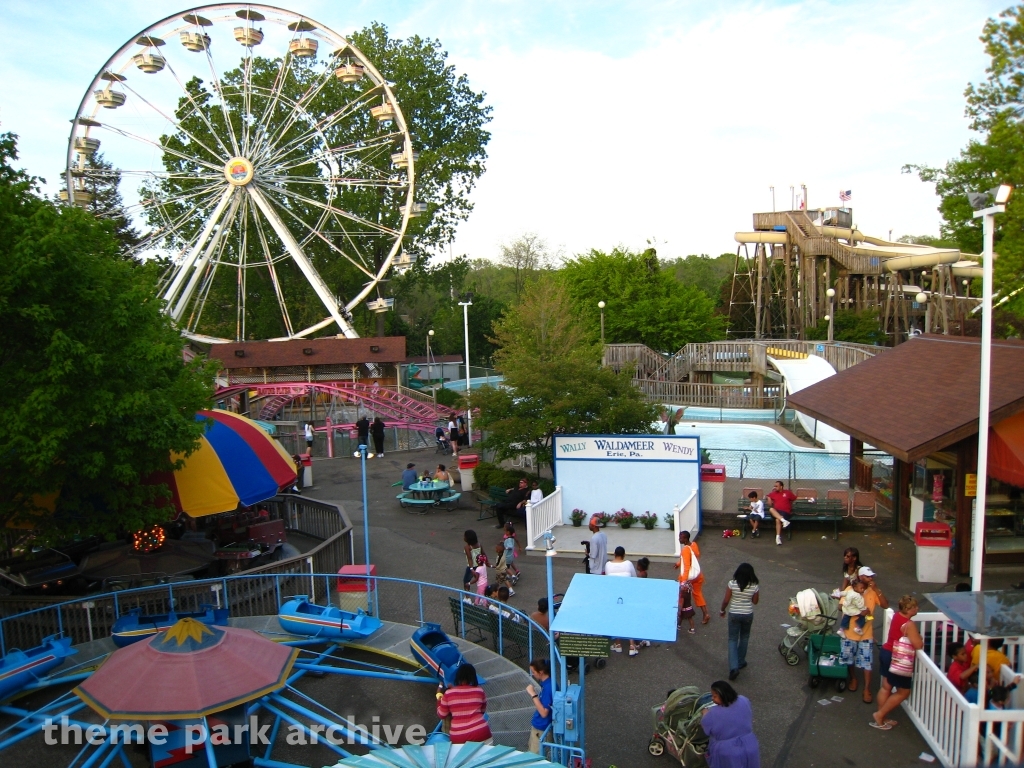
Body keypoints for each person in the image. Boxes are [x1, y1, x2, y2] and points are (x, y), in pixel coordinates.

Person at [872, 595, 923, 730]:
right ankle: (880, 714)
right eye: (915, 607)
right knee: (904, 692)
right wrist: (919, 637)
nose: (917, 608)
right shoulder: (909, 624)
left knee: (886, 687)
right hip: (897, 658)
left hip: (886, 652)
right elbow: (918, 644)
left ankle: (882, 717)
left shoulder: (896, 616)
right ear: (908, 609)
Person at [841, 565, 888, 703]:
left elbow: (885, 605)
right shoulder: (850, 590)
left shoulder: (873, 592)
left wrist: (876, 589)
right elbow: (841, 607)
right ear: (860, 577)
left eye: (871, 576)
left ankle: (867, 688)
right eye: (868, 576)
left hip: (866, 633)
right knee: (849, 658)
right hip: (849, 632)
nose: (870, 578)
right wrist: (858, 612)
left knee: (867, 663)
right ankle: (853, 678)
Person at [700, 680, 760, 768]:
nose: (712, 698)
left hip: (728, 752)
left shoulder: (713, 713)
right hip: (750, 744)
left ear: (723, 696)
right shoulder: (744, 700)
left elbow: (706, 728)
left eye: (714, 696)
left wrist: (705, 713)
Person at [720, 563, 760, 680]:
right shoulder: (754, 585)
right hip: (747, 614)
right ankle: (741, 661)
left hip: (734, 614)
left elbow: (726, 600)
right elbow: (755, 602)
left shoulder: (732, 583)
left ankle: (734, 667)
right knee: (744, 637)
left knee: (732, 639)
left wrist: (722, 610)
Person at [436, 663, 492, 744]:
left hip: (459, 738)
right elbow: (482, 710)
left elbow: (442, 714)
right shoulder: (479, 691)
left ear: (458, 676)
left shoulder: (448, 694)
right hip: (482, 733)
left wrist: (439, 700)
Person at [605, 546, 640, 656]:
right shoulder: (628, 564)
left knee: (616, 618)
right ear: (624, 555)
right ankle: (631, 645)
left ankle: (618, 644)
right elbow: (634, 579)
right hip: (627, 595)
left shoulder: (608, 565)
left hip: (614, 596)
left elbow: (607, 581)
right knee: (628, 618)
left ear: (614, 554)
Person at [676, 530, 710, 629]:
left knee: (681, 596)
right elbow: (694, 558)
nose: (679, 539)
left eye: (681, 538)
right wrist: (678, 563)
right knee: (698, 594)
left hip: (689, 577)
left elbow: (686, 566)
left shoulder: (685, 550)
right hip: (697, 576)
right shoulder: (694, 545)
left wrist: (684, 581)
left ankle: (680, 616)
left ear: (685, 539)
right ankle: (705, 614)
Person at [526, 658, 553, 754]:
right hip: (539, 727)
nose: (533, 674)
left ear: (541, 672)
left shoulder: (548, 688)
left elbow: (544, 713)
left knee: (535, 756)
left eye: (534, 672)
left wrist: (533, 694)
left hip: (541, 729)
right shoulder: (546, 683)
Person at [766, 480, 795, 545]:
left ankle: (777, 538)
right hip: (777, 512)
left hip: (786, 512)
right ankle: (784, 521)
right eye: (774, 486)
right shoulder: (773, 493)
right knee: (771, 509)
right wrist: (769, 498)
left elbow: (795, 498)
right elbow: (769, 499)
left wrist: (807, 498)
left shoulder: (788, 493)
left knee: (777, 519)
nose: (775, 487)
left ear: (781, 487)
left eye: (776, 486)